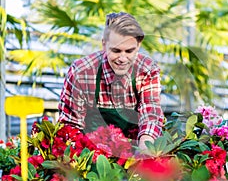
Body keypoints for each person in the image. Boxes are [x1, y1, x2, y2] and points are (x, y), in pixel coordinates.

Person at [58, 12, 164, 150]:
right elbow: (70, 126)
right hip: (90, 153)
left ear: (138, 45)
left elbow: (151, 115)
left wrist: (145, 148)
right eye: (116, 50)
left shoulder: (147, 70)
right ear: (104, 44)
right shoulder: (81, 72)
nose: (122, 58)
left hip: (134, 151)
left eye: (129, 51)